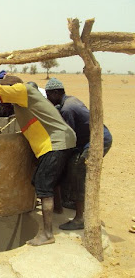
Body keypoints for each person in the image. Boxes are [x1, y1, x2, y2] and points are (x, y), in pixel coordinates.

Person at [0, 59, 76, 246]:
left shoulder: (23, 90)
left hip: (54, 143)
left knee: (43, 185)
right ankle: (56, 213)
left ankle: (47, 234)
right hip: (61, 140)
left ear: (12, 89)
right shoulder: (25, 99)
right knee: (44, 180)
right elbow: (24, 115)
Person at [45, 78, 112, 230]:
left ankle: (80, 217)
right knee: (76, 168)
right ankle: (77, 205)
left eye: (49, 95)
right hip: (94, 138)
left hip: (96, 140)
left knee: (77, 171)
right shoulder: (70, 101)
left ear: (56, 93)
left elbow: (70, 139)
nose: (48, 99)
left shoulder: (67, 109)